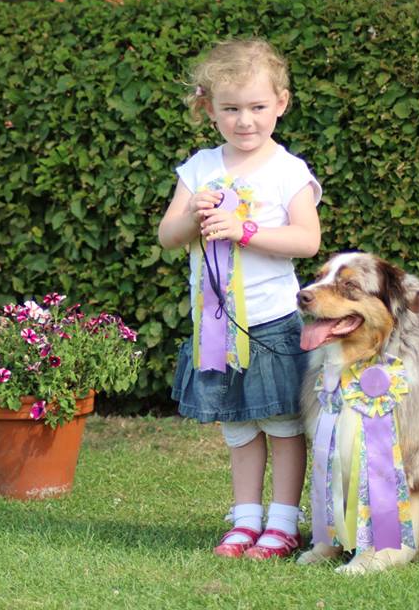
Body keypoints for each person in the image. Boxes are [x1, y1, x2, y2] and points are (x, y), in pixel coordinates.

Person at [157, 38, 322, 559]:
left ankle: (283, 523)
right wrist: (192, 216)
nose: (244, 120)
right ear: (209, 109)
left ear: (281, 103)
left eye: (256, 107)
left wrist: (244, 230)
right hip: (215, 326)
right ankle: (246, 519)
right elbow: (168, 236)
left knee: (282, 423)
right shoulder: (200, 168)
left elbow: (307, 240)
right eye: (230, 109)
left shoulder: (288, 171)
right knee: (239, 425)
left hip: (273, 324)